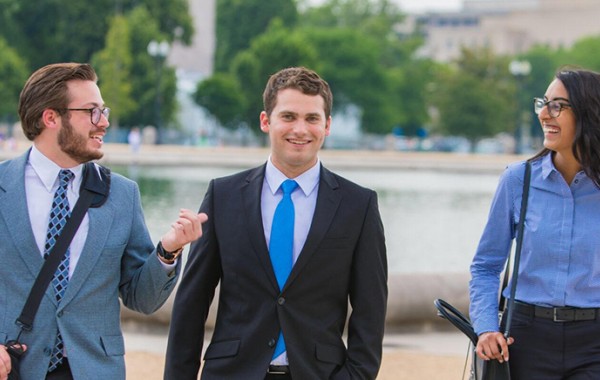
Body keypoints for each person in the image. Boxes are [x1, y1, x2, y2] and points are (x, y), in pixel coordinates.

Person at [164, 67, 388, 379]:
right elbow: (192, 301)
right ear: (266, 121)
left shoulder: (359, 205)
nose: (300, 129)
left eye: (312, 118)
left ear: (327, 126)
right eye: (288, 116)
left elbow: (371, 310)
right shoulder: (223, 196)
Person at [0, 62, 207, 380]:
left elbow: (143, 299)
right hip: (14, 369)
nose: (104, 122)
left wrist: (168, 250)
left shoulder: (123, 195)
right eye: (92, 111)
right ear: (51, 117)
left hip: (94, 370)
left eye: (104, 110)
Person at [469, 67, 600, 378]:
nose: (545, 114)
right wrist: (486, 327)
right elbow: (486, 265)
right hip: (525, 340)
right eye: (543, 103)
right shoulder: (518, 180)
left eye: (558, 106)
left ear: (589, 113)